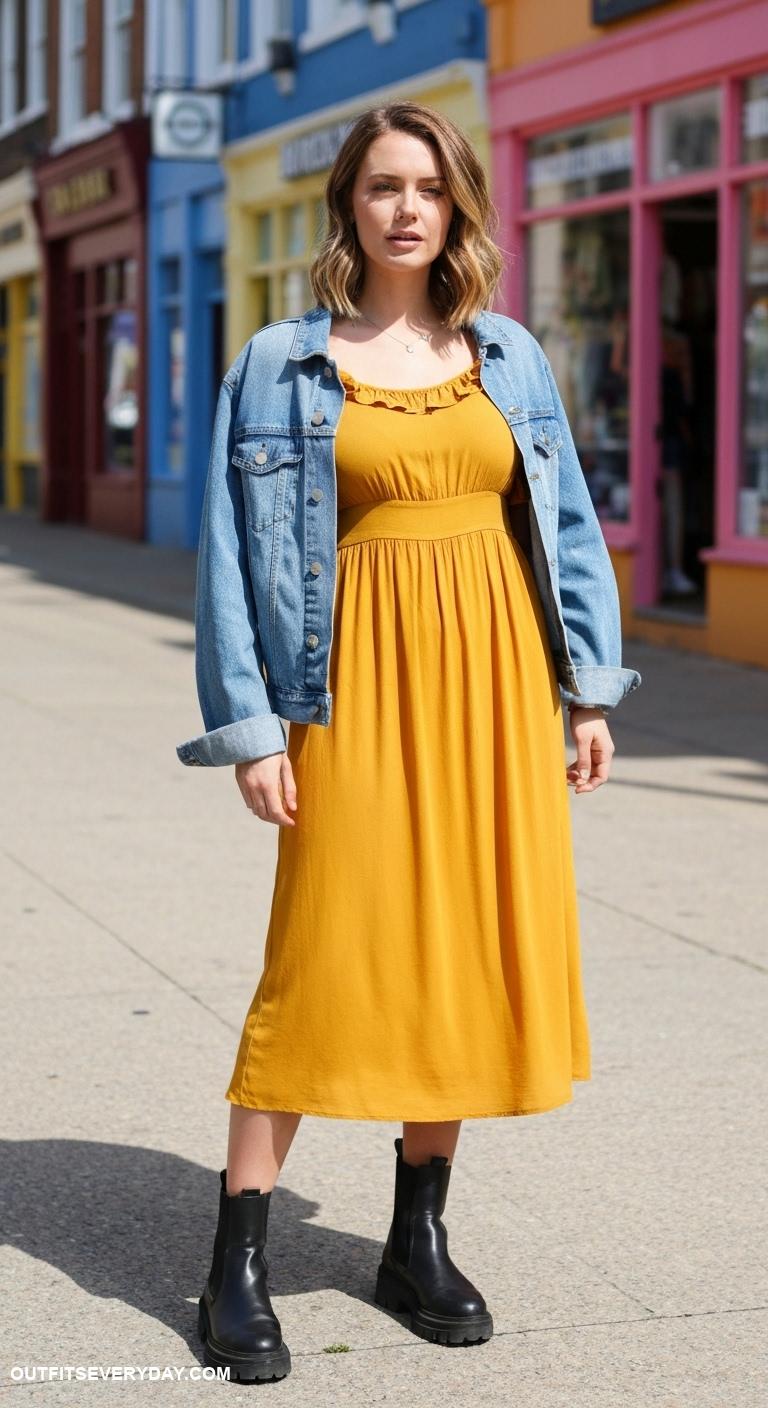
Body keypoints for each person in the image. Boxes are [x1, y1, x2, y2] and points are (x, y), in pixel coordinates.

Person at [176, 101, 642, 1384]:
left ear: (457, 206)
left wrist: (586, 691)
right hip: (354, 689)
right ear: (349, 204)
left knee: (463, 949)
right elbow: (228, 557)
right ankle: (239, 1258)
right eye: (383, 186)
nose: (406, 209)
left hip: (494, 685)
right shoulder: (280, 362)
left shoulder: (509, 356)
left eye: (428, 187)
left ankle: (414, 1237)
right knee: (320, 953)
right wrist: (254, 725)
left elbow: (568, 524)